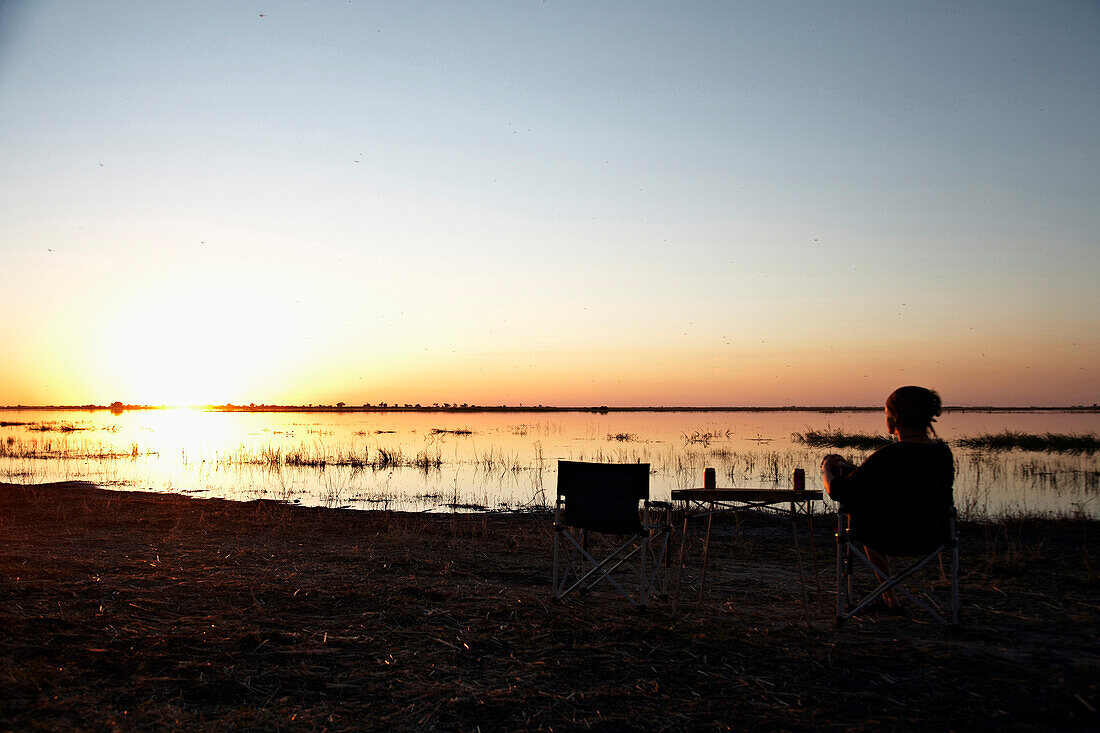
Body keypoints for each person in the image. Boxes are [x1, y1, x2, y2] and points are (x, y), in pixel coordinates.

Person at [820, 386, 954, 609]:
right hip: (933, 537)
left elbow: (838, 491)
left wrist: (827, 469)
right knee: (860, 489)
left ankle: (888, 595)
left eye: (886, 414)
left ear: (896, 419)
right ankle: (888, 596)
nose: (886, 419)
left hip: (884, 537)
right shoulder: (943, 454)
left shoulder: (888, 456)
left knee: (855, 504)